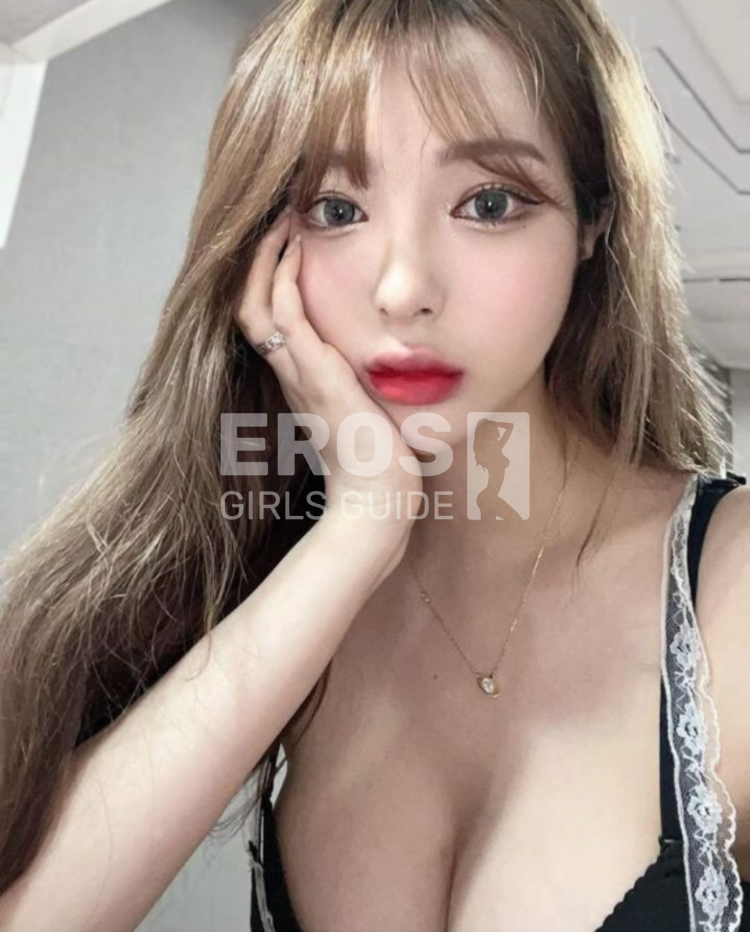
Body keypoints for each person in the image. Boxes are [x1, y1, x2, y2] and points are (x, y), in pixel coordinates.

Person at [0, 0, 748, 930]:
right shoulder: (275, 583)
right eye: (336, 210)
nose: (403, 289)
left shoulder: (729, 588)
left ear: (594, 222)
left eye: (489, 203)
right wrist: (358, 529)